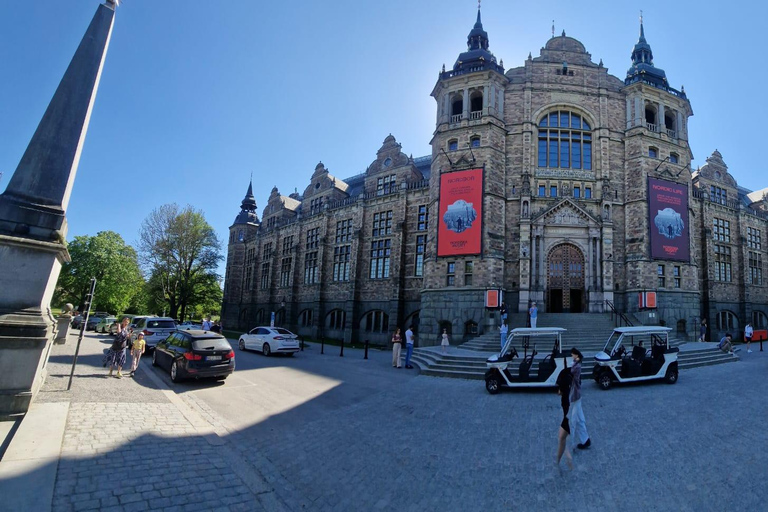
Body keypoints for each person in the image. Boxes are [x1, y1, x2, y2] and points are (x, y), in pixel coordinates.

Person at [569, 348, 591, 450]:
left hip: (575, 395)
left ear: (576, 355)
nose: (571, 356)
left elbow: (571, 372)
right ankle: (585, 440)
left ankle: (571, 443)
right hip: (576, 394)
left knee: (573, 419)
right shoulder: (575, 363)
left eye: (573, 354)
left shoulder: (576, 366)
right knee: (580, 418)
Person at [555, 361, 574, 469]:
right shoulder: (574, 378)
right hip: (572, 411)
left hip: (568, 413)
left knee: (561, 437)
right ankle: (563, 459)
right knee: (563, 437)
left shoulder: (564, 379)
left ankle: (566, 459)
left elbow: (559, 392)